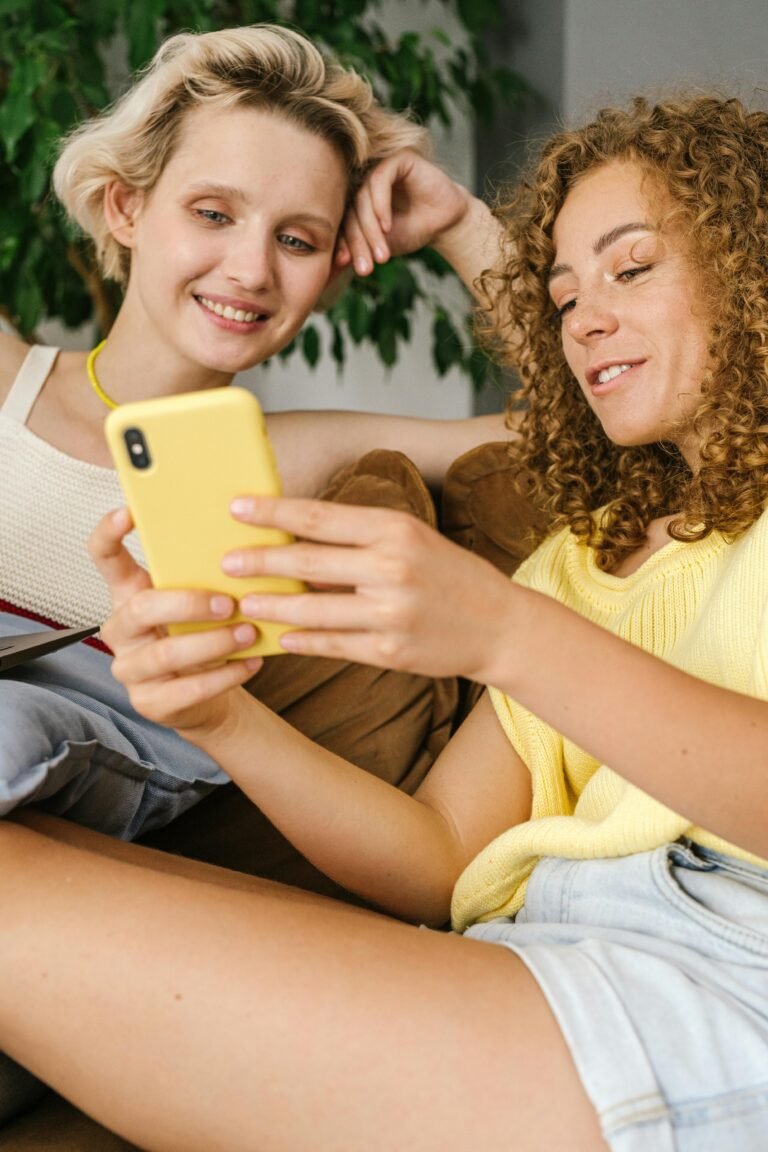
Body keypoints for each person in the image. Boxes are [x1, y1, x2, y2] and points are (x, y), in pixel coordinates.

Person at [9, 88, 768, 1151]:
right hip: (532, 949)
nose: (585, 317)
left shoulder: (547, 597)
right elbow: (443, 855)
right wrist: (224, 718)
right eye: (559, 299)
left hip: (722, 973)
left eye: (633, 269)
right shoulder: (581, 555)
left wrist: (502, 634)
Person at [0, 22, 525, 1129]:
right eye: (213, 213)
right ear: (126, 210)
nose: (249, 269)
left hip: (72, 884)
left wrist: (464, 225)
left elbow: (571, 432)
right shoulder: (6, 381)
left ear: (337, 266)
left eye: (299, 238)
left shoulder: (306, 456)